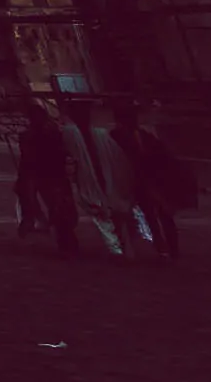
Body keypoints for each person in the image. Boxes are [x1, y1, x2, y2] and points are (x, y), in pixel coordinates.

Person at [111, 104, 191, 261]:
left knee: (159, 216)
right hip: (143, 181)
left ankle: (167, 249)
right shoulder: (129, 136)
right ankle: (165, 249)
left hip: (150, 181)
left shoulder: (141, 136)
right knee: (154, 217)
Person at [62, 99, 137, 256]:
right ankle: (116, 248)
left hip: (103, 177)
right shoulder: (71, 133)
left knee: (112, 213)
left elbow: (117, 157)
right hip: (90, 179)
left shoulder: (98, 134)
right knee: (101, 212)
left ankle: (119, 247)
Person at [15, 101, 79, 254]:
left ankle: (65, 241)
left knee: (59, 210)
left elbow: (29, 161)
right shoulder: (44, 133)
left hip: (50, 176)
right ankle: (64, 240)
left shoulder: (44, 134)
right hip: (50, 176)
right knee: (58, 209)